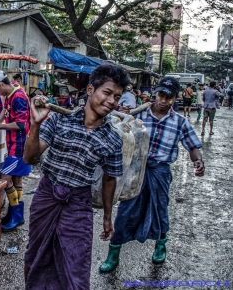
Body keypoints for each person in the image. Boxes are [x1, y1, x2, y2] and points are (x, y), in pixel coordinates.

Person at [22, 64, 130, 289]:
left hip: (79, 203)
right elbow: (29, 159)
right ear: (90, 90)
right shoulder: (59, 120)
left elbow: (110, 179)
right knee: (36, 255)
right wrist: (35, 124)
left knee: (77, 266)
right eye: (107, 93)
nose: (111, 101)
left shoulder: (112, 138)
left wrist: (108, 218)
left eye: (117, 97)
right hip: (47, 196)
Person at [99, 76, 204, 272]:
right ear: (155, 94)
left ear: (175, 98)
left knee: (160, 209)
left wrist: (197, 160)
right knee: (126, 210)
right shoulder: (138, 116)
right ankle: (113, 254)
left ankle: (160, 246)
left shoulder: (180, 122)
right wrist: (122, 117)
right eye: (161, 95)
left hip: (160, 172)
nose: (164, 101)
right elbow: (115, 131)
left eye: (169, 98)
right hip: (135, 170)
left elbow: (193, 146)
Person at [0, 70, 31, 232]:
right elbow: (5, 110)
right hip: (13, 143)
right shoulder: (12, 92)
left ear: (0, 84)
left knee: (5, 178)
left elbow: (21, 124)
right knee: (17, 179)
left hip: (18, 145)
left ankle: (16, 214)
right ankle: (15, 214)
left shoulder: (18, 97)